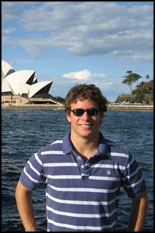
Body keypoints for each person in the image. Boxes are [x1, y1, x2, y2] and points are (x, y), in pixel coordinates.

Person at [15, 83, 148, 232]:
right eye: (78, 111)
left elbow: (140, 198)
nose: (85, 117)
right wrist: (30, 228)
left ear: (101, 115)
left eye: (92, 111)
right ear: (68, 115)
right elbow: (22, 190)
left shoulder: (122, 158)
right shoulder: (45, 156)